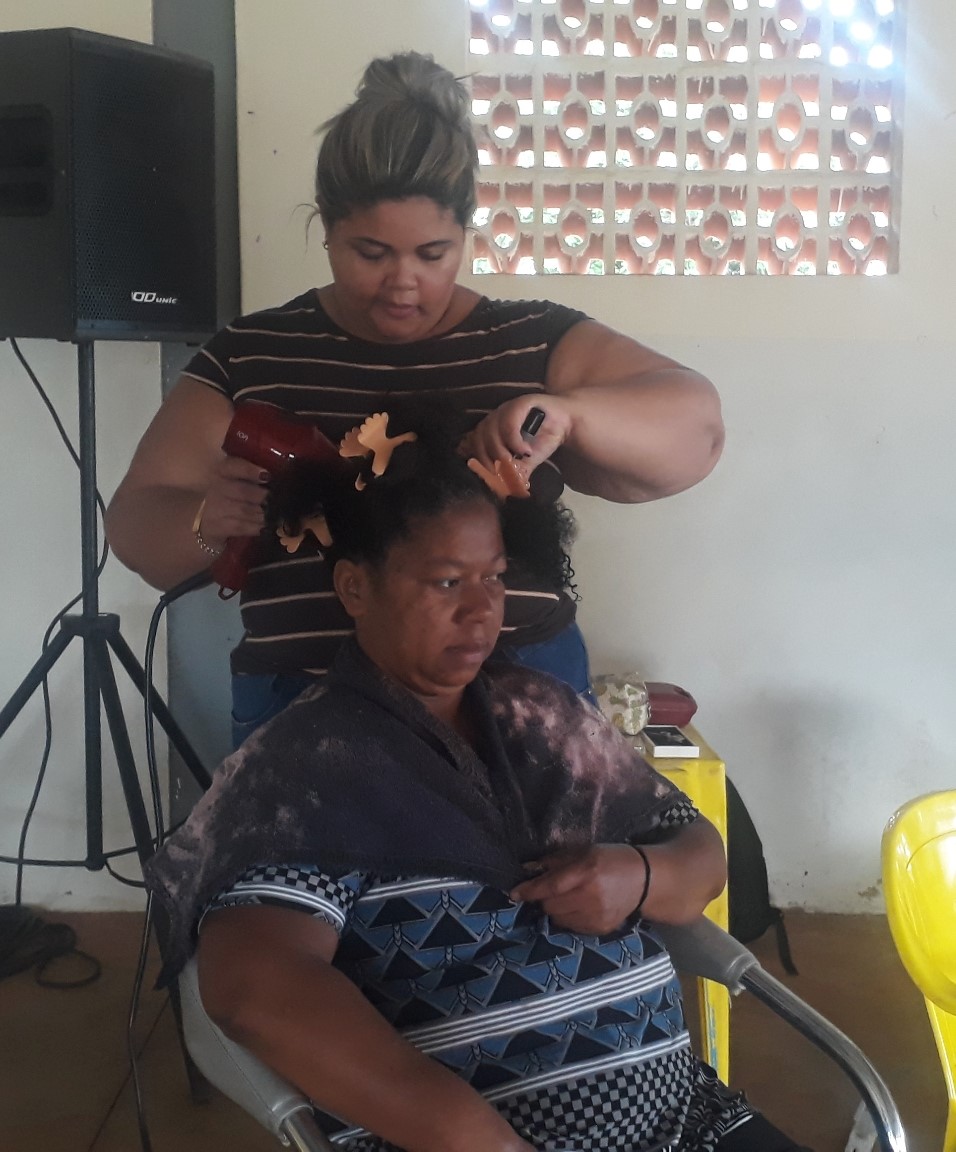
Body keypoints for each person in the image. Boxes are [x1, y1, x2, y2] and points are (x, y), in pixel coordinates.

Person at [145, 418, 808, 1152]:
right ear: (355, 587)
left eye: (493, 576)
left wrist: (639, 876)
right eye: (446, 582)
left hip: (688, 1123)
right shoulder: (308, 767)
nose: (481, 608)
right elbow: (258, 990)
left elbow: (699, 858)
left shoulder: (545, 717)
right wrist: (483, 1143)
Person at [105, 51, 724, 745]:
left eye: (433, 254)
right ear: (326, 227)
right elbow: (134, 532)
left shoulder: (532, 341)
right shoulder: (252, 355)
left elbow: (696, 433)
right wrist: (205, 521)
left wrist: (571, 414)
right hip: (308, 714)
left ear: (464, 232)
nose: (403, 282)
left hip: (521, 701)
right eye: (370, 253)